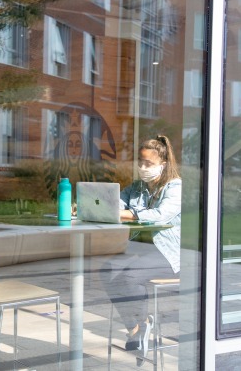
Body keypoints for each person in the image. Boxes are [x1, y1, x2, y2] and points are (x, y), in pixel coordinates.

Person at [102, 134, 181, 355]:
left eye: (149, 163)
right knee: (106, 270)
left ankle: (144, 324)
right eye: (141, 161)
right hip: (140, 249)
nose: (143, 167)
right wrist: (97, 206)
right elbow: (116, 203)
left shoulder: (175, 187)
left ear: (163, 165)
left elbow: (161, 215)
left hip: (166, 253)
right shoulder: (137, 187)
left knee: (129, 276)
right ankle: (136, 328)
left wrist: (126, 214)